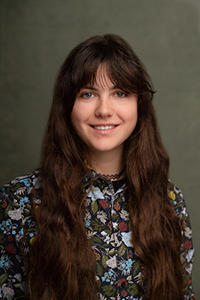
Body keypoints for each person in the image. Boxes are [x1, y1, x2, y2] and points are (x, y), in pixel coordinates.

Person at [0, 34, 196, 300]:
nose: (104, 110)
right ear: (68, 105)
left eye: (120, 93)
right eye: (88, 94)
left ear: (139, 104)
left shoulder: (170, 202)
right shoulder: (19, 202)